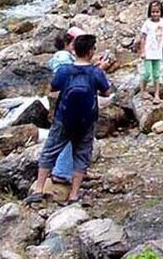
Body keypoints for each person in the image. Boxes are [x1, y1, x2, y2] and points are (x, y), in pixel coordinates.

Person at [31, 32, 113, 204]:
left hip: (63, 118)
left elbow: (52, 90)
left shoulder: (64, 71)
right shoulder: (96, 73)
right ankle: (74, 195)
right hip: (86, 121)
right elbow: (107, 92)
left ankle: (38, 189)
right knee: (82, 155)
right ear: (91, 52)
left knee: (49, 151)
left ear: (74, 50)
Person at [40, 28, 81, 195]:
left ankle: (66, 170)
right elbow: (68, 78)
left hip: (64, 103)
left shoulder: (62, 58)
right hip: (67, 104)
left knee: (69, 138)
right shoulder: (64, 58)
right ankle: (61, 173)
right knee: (68, 138)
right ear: (67, 43)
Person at [138, 0, 163, 101]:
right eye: (153, 12)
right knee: (147, 73)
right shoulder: (147, 23)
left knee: (156, 74)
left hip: (157, 52)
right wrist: (142, 51)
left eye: (157, 12)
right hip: (148, 52)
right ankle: (143, 90)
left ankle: (157, 95)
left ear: (161, 12)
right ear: (149, 12)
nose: (155, 14)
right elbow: (142, 37)